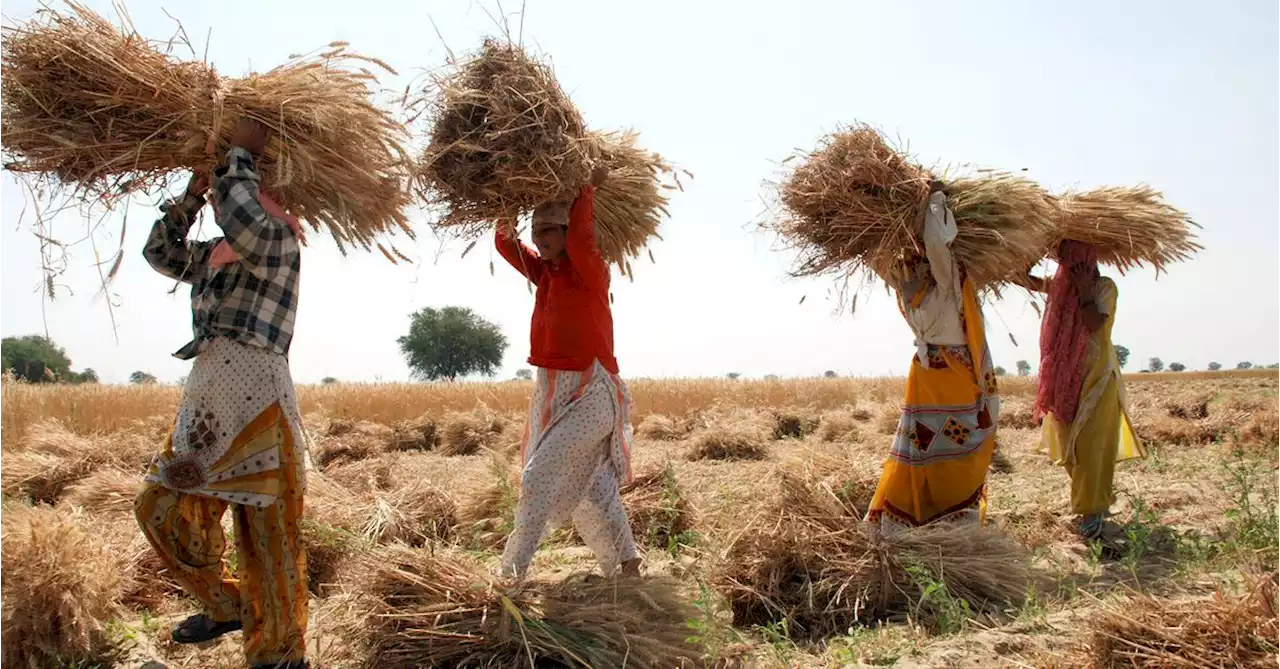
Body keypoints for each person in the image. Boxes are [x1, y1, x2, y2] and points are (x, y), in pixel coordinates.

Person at [134, 118, 310, 669]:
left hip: (260, 403)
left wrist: (238, 154)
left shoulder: (278, 241)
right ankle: (226, 603)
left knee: (268, 537)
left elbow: (247, 221)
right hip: (207, 404)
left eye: (250, 187)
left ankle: (278, 656)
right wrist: (189, 195)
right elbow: (159, 252)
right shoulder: (215, 256)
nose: (227, 196)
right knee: (159, 507)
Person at [493, 165, 642, 580]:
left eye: (550, 232)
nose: (540, 241)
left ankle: (511, 573)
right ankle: (628, 564)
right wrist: (504, 203)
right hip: (554, 390)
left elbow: (580, 237)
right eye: (536, 232)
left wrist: (587, 190)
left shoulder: (590, 271)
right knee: (593, 489)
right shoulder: (544, 274)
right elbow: (506, 244)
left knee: (539, 474)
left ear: (566, 232)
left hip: (593, 390)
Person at [865, 180, 1000, 529]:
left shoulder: (949, 277)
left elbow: (938, 243)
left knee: (958, 448)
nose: (912, 258)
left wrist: (934, 200)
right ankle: (918, 516)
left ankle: (954, 517)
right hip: (926, 378)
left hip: (956, 375)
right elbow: (877, 260)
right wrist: (868, 221)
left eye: (916, 249)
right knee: (921, 446)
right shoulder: (911, 285)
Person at [1023, 240, 1144, 540]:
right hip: (1065, 381)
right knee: (1071, 449)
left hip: (1096, 381)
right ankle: (1091, 506)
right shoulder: (1059, 288)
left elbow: (1094, 324)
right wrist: (1031, 253)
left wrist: (1085, 291)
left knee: (1091, 449)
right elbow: (1021, 278)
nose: (1070, 266)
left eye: (1076, 259)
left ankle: (1092, 516)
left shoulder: (1105, 287)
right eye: (1066, 260)